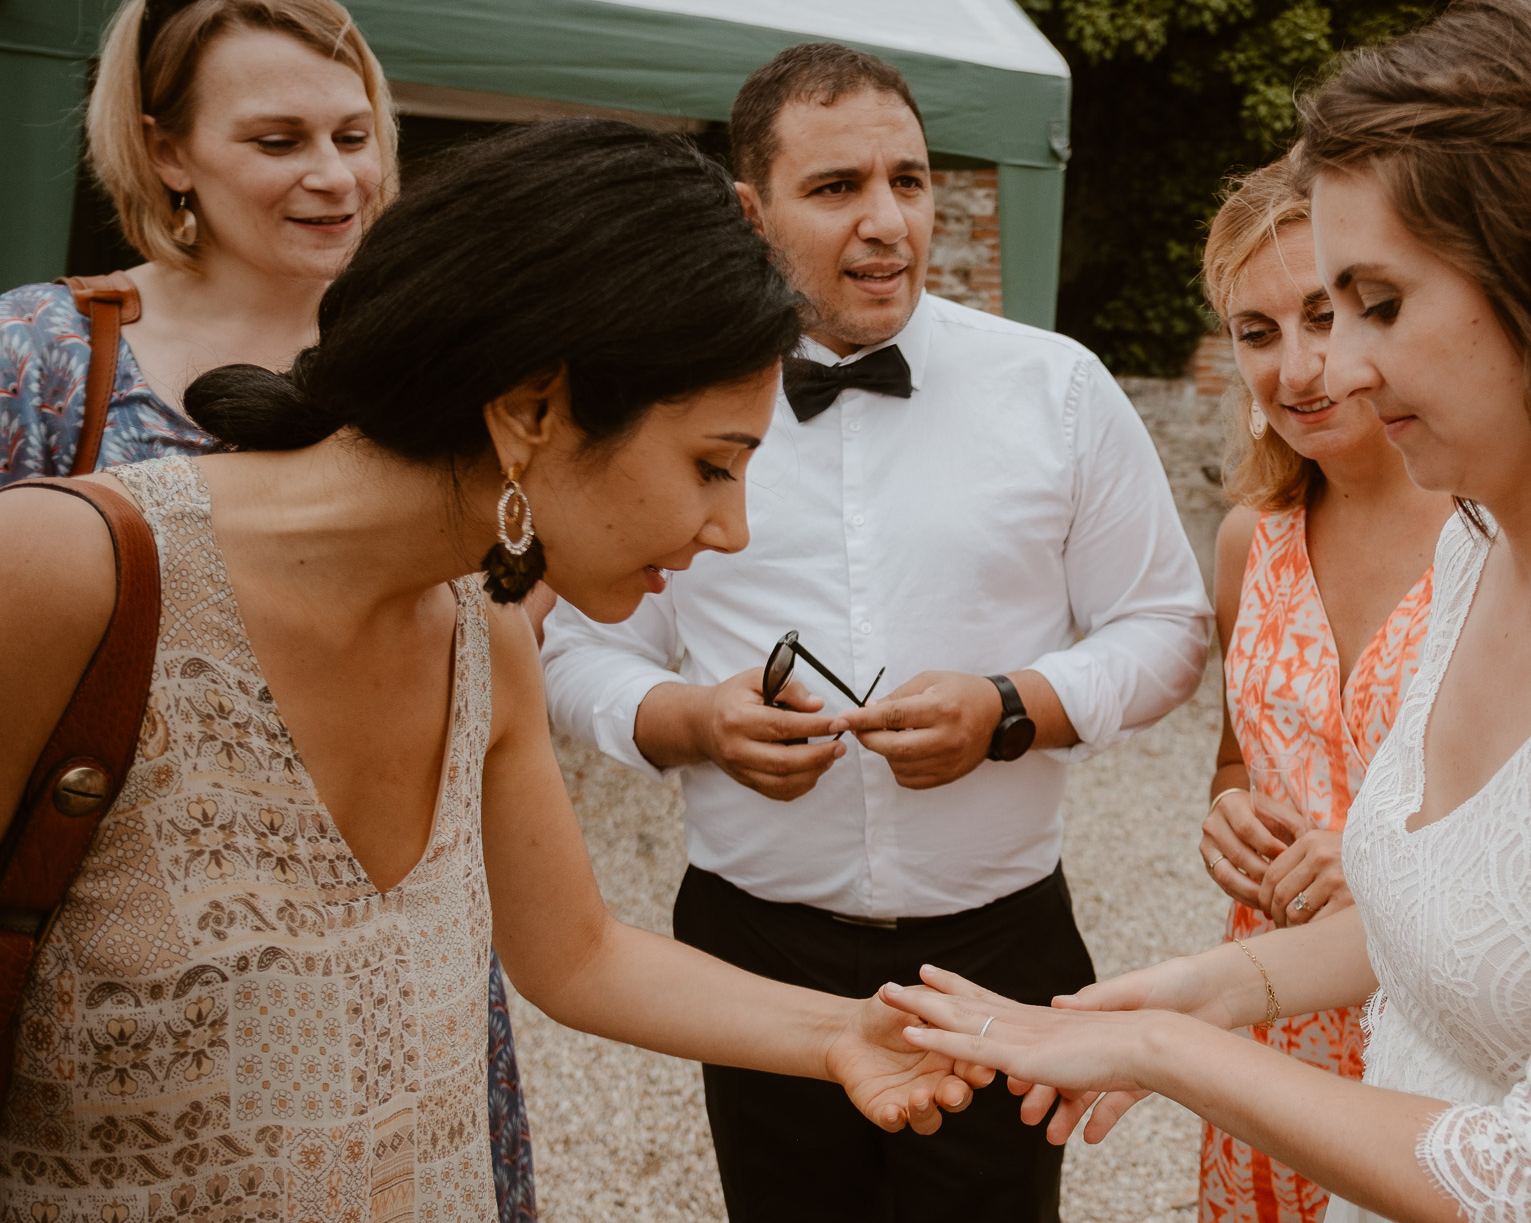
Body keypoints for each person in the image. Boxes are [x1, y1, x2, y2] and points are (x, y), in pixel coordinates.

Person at [881, 0, 1531, 1223]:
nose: (1336, 369)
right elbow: (1446, 923)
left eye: (1374, 304)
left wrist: (1167, 1054)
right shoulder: (1480, 541)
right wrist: (1206, 986)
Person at [0, 119, 988, 1222]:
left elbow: (576, 954)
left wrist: (843, 1029)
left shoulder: (487, 628)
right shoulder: (64, 573)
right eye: (713, 464)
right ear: (530, 410)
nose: (732, 529)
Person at [539, 43, 1211, 1221]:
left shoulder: (1053, 386)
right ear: (749, 211)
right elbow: (572, 643)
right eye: (838, 187)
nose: (888, 220)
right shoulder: (658, 394)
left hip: (999, 942)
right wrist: (693, 719)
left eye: (908, 179)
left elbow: (1163, 625)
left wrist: (1011, 708)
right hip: (747, 949)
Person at [0, 0, 545, 1213]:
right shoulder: (47, 355)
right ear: (165, 151)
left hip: (393, 977)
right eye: (277, 138)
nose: (336, 175)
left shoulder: (447, 364)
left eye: (356, 133)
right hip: (117, 1006)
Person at [1195, 160, 1451, 1223]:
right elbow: (1233, 755)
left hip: (1430, 1024)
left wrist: (1371, 860)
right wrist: (1224, 809)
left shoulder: (1494, 541)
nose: (1297, 367)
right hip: (1264, 1022)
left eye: (1323, 314)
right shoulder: (1248, 545)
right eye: (1256, 332)